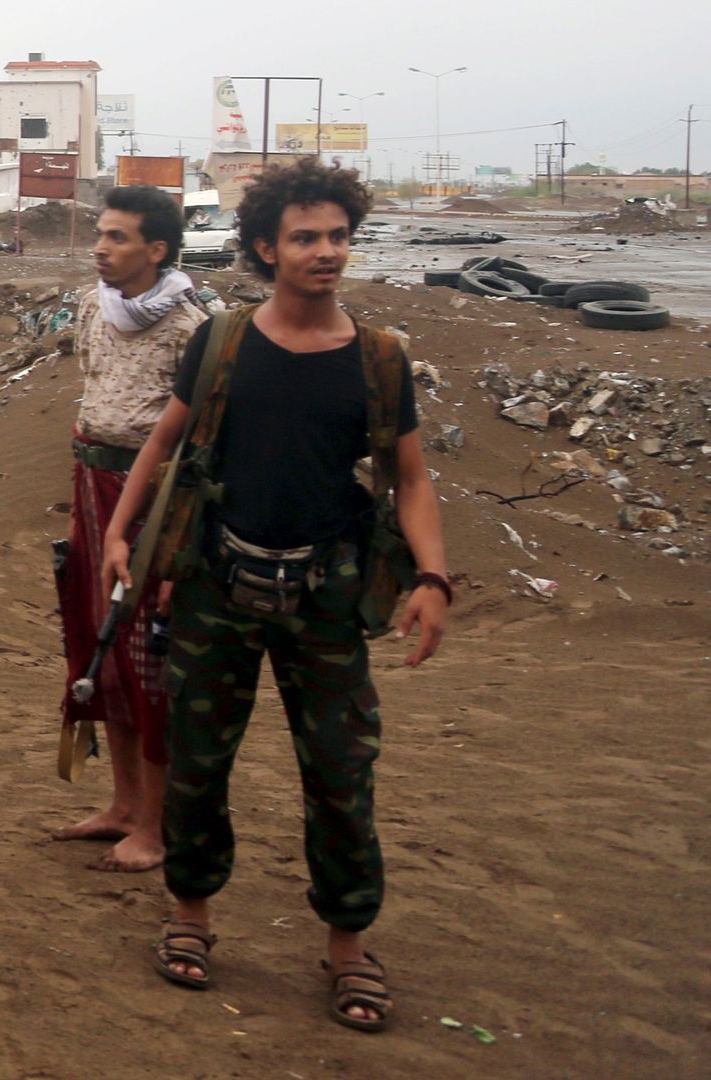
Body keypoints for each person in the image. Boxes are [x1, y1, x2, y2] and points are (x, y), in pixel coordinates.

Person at [103, 157, 449, 1031]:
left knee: (340, 771)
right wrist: (122, 530)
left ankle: (346, 945)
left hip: (327, 596)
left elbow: (409, 478)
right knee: (198, 760)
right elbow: (163, 443)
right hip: (217, 585)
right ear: (266, 247)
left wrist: (434, 577)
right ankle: (191, 916)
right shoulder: (222, 344)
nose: (326, 252)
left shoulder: (377, 359)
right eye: (306, 238)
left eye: (337, 236)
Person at [52, 185, 209, 873]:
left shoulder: (193, 328)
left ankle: (154, 822)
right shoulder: (92, 306)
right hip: (90, 490)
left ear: (157, 250)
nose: (100, 248)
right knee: (99, 648)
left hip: (149, 504)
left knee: (147, 657)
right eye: (101, 234)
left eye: (117, 238)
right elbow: (93, 383)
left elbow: (198, 440)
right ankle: (119, 804)